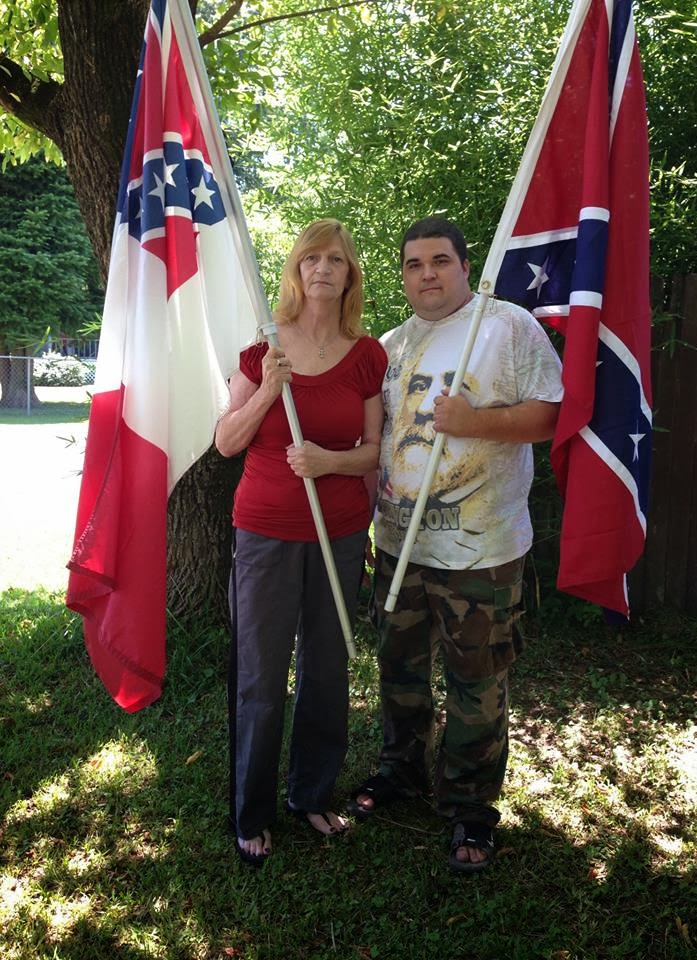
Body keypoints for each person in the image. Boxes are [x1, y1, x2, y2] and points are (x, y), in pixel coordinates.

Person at [348, 217, 563, 873]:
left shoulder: (507, 327)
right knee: (401, 669)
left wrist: (474, 423)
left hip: (483, 549)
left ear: (465, 266)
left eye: (440, 260)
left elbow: (552, 412)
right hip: (400, 544)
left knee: (478, 683)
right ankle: (401, 771)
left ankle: (471, 808)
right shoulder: (390, 346)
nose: (427, 274)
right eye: (414, 264)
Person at [215, 218, 387, 867]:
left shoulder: (367, 354)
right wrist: (268, 391)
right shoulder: (262, 350)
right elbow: (227, 440)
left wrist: (328, 462)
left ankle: (311, 794)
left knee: (327, 666)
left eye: (335, 260)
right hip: (264, 533)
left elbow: (372, 452)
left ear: (349, 275)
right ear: (295, 270)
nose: (322, 268)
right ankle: (251, 810)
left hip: (340, 532)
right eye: (311, 257)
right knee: (260, 674)